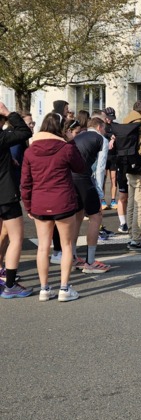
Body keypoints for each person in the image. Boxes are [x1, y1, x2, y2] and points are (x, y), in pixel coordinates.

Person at [20, 111, 87, 301]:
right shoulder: (65, 148)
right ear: (60, 129)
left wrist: (28, 206)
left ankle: (44, 289)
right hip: (63, 201)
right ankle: (64, 288)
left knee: (43, 247)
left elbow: (25, 182)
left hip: (39, 202)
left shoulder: (30, 151)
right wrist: (70, 142)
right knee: (66, 246)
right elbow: (80, 167)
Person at [68, 115, 111, 274]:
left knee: (77, 216)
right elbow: (100, 168)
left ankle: (72, 257)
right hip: (84, 178)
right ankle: (90, 262)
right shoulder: (101, 139)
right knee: (96, 216)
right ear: (100, 127)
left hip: (69, 177)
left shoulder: (79, 135)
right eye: (104, 128)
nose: (105, 131)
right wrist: (99, 192)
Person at [0, 104, 35, 298]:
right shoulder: (2, 137)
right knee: (16, 238)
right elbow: (24, 132)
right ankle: (10, 285)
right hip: (5, 195)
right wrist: (8, 113)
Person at [117, 100, 141, 250]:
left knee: (132, 205)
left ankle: (132, 236)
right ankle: (136, 240)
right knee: (140, 206)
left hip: (129, 169)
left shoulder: (126, 123)